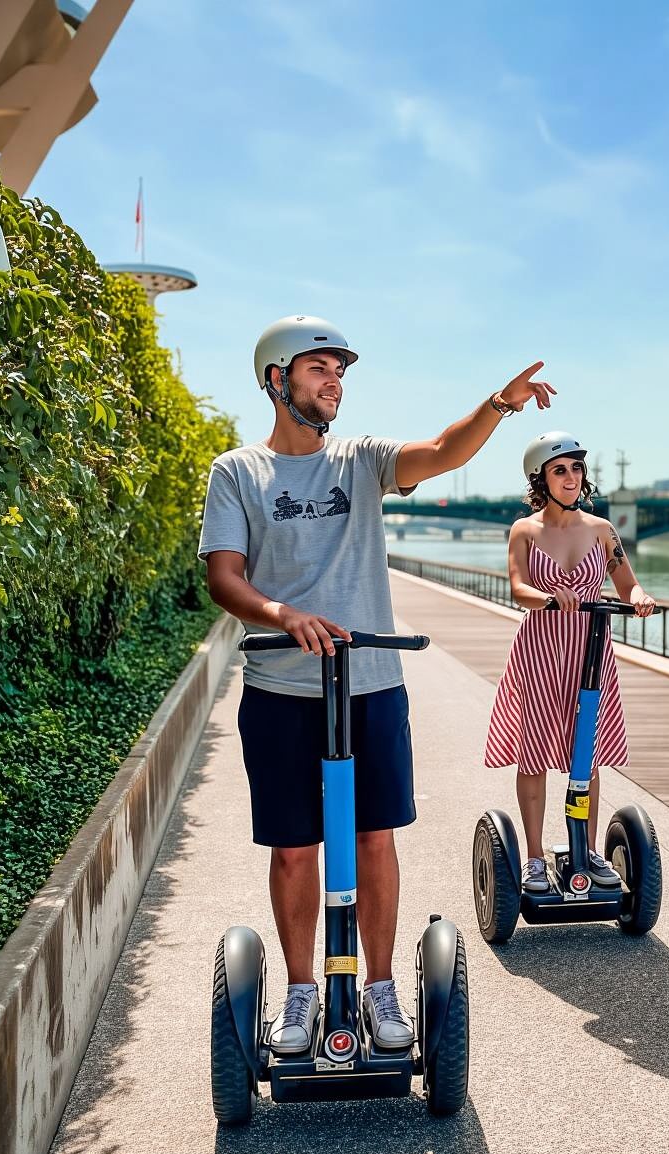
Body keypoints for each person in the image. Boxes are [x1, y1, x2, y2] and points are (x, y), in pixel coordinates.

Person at [199, 315, 554, 1053]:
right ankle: (301, 993)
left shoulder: (360, 461)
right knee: (295, 849)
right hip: (281, 689)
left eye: (340, 371)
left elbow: (440, 452)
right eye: (318, 368)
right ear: (276, 379)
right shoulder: (236, 471)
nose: (334, 382)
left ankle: (380, 986)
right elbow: (223, 577)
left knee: (372, 839)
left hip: (372, 684)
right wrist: (281, 614)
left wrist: (499, 404)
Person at [484, 432, 655, 892]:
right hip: (540, 648)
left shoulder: (602, 530)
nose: (571, 477)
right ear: (541, 478)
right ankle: (535, 858)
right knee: (534, 751)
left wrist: (640, 598)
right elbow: (518, 587)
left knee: (587, 755)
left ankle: (587, 848)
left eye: (576, 469)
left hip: (590, 648)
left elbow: (627, 584)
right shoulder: (525, 530)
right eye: (560, 470)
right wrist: (546, 597)